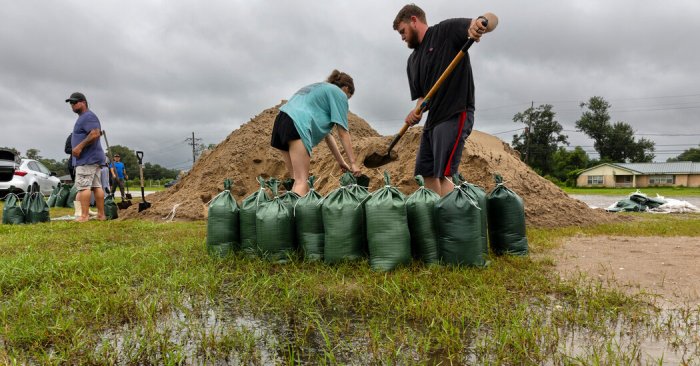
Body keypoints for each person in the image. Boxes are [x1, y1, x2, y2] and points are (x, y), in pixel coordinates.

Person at [393, 4, 497, 196]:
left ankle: (452, 223)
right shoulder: (413, 61)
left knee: (445, 175)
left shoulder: (445, 31)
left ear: (414, 21)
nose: (402, 37)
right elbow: (423, 98)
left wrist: (481, 23)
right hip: (433, 121)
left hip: (454, 113)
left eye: (402, 31)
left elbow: (490, 19)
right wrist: (415, 112)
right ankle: (435, 217)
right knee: (426, 174)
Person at [271, 69, 361, 196]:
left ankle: (291, 213)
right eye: (348, 97)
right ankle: (296, 216)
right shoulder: (338, 94)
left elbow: (328, 136)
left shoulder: (320, 90)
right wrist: (353, 163)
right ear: (346, 89)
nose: (346, 100)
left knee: (297, 182)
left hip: (281, 120)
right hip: (297, 122)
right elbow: (343, 133)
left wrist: (341, 162)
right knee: (302, 182)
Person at [66, 92, 106, 222]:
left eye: (75, 102)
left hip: (87, 159)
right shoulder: (85, 117)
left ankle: (84, 216)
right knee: (96, 187)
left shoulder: (88, 116)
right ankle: (101, 215)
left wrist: (79, 147)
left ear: (83, 102)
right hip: (93, 158)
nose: (72, 105)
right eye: (71, 103)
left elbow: (95, 133)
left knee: (83, 187)